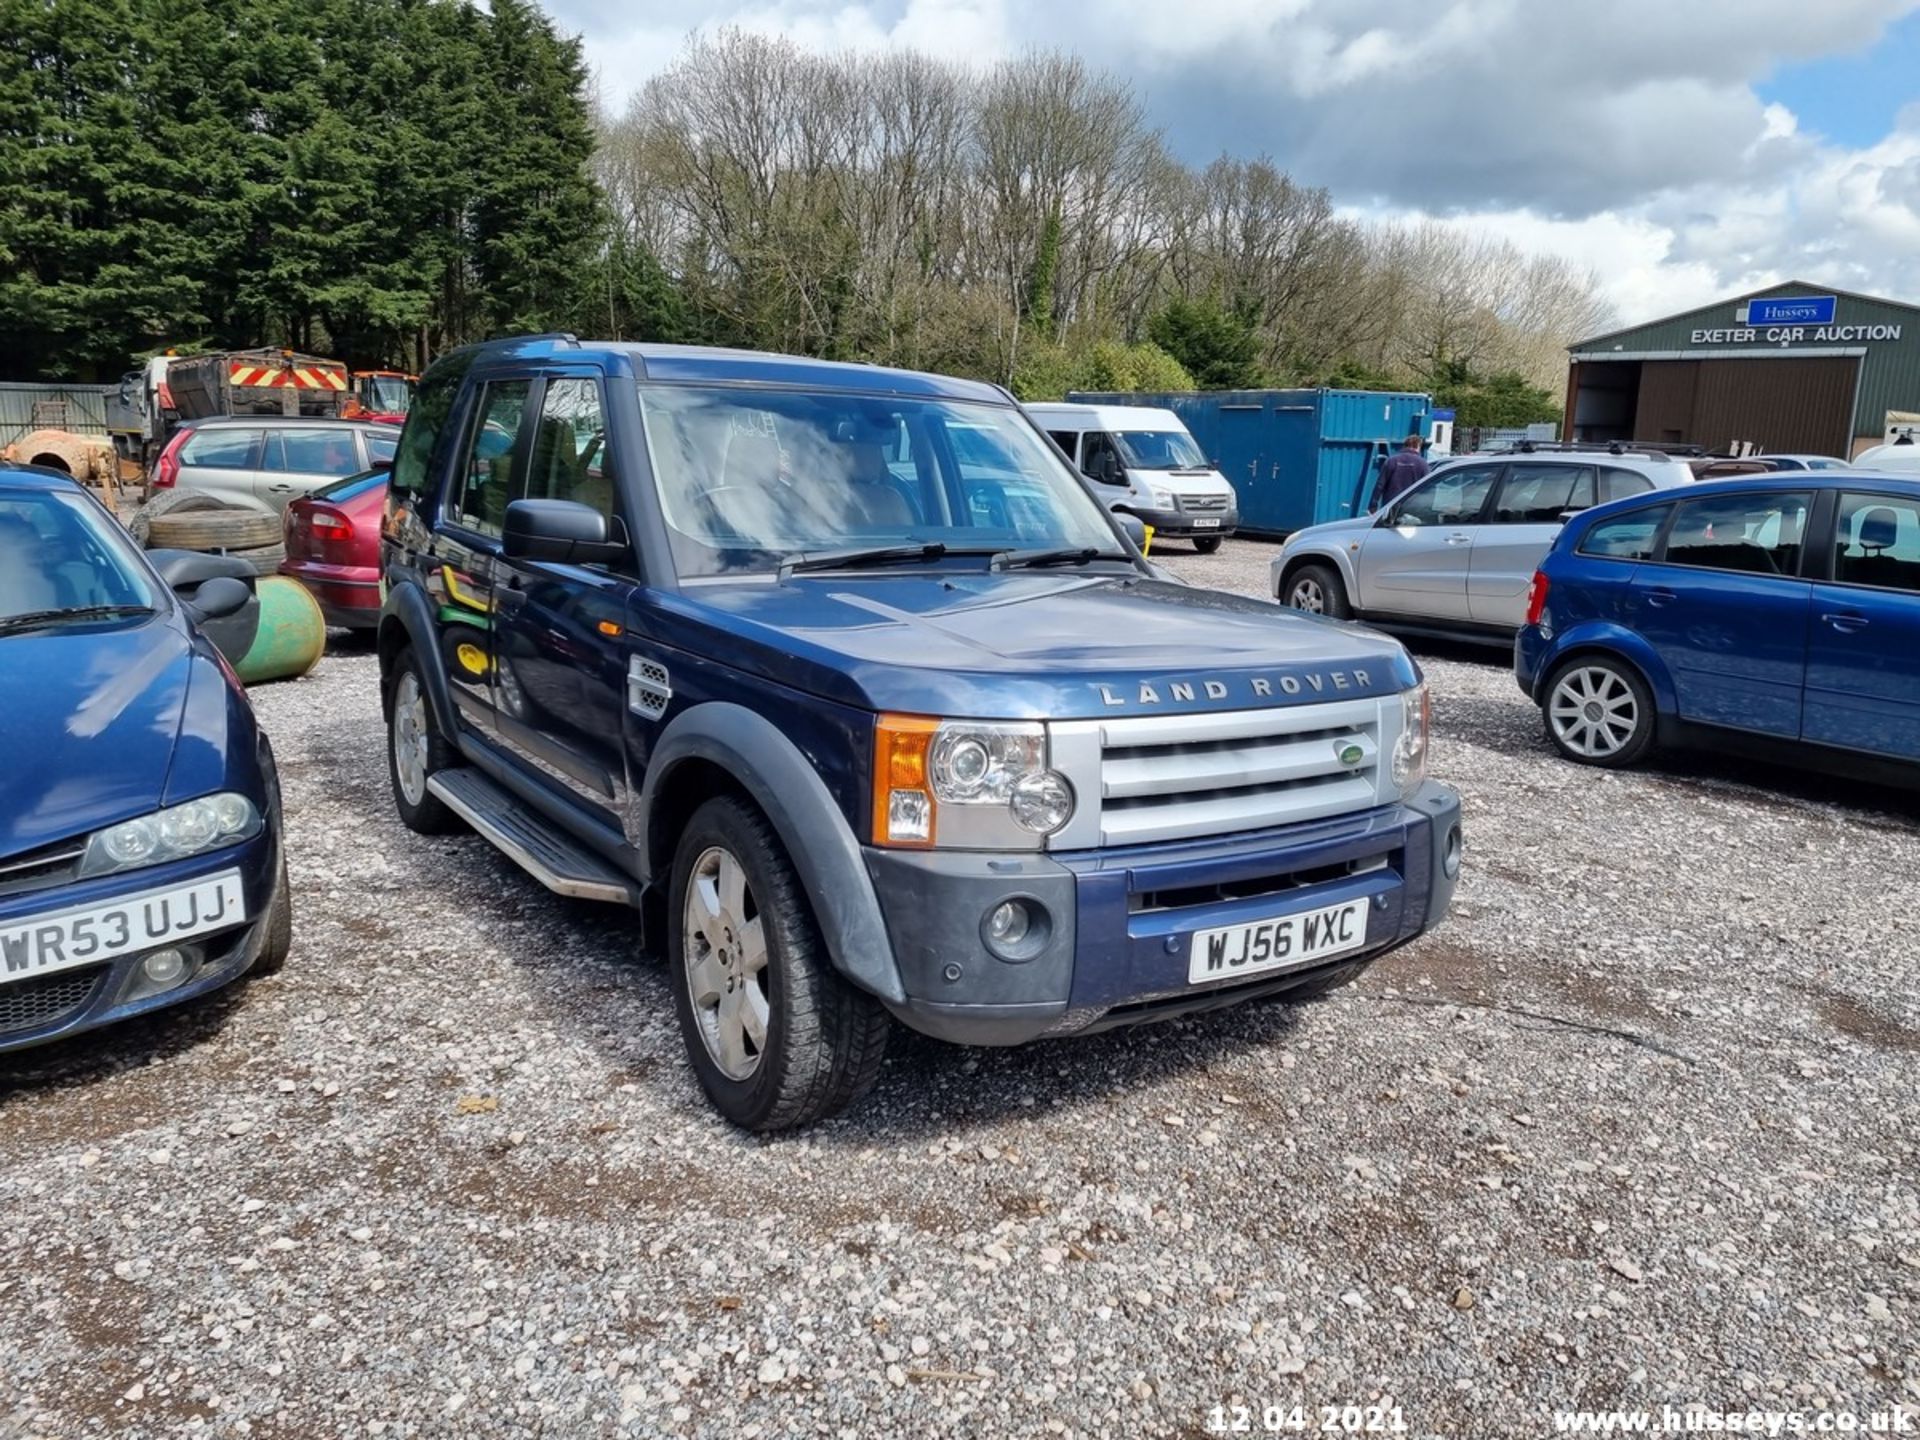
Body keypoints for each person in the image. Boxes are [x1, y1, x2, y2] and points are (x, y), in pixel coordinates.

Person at [1374, 434, 1429, 510]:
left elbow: (1380, 485)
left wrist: (1373, 505)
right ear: (1418, 446)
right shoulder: (1423, 464)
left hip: (1391, 507)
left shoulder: (1391, 461)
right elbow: (1428, 488)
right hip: (1413, 508)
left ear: (1404, 446)